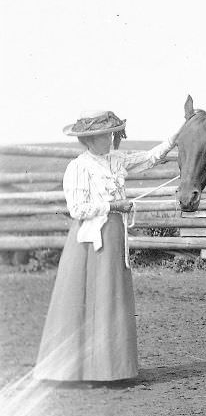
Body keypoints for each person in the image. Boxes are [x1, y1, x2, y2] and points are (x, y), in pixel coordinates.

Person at [33, 110, 178, 382]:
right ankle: (79, 372)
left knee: (111, 296)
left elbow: (149, 158)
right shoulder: (78, 167)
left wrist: (174, 138)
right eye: (103, 136)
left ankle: (111, 370)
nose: (110, 139)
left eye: (111, 134)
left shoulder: (116, 160)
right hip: (90, 240)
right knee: (89, 298)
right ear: (89, 140)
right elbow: (76, 209)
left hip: (114, 235)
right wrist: (113, 205)